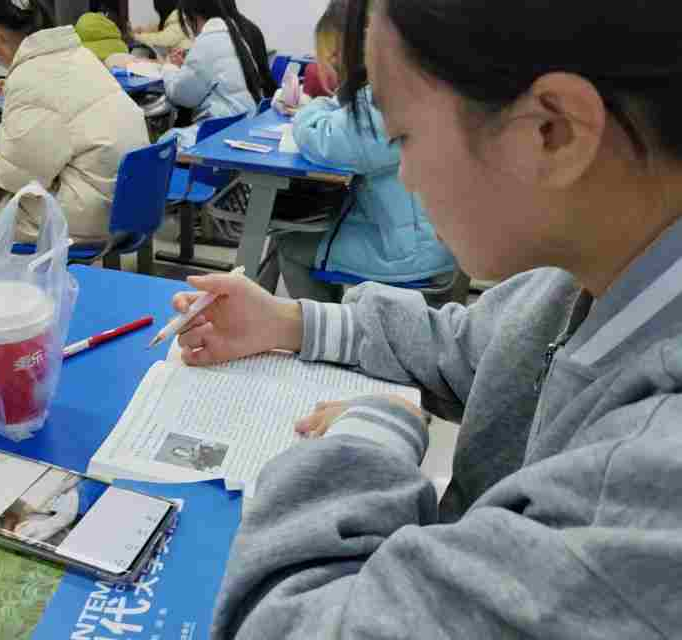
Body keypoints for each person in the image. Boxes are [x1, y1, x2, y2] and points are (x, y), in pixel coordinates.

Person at [171, 0, 682, 636]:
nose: (406, 176)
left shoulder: (645, 489)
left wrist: (371, 436)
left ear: (552, 132)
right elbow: (474, 347)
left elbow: (284, 626)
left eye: (404, 138)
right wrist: (289, 322)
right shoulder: (599, 274)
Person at [0, 0, 149, 327]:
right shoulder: (78, 55)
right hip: (125, 205)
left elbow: (17, 176)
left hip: (87, 217)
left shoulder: (32, 76)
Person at [259, 0, 454, 302]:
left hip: (412, 249)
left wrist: (310, 108)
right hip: (430, 233)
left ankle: (321, 329)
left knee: (291, 246)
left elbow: (326, 141)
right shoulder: (414, 78)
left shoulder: (383, 97)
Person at [159, 0, 269, 149]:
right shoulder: (232, 33)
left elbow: (181, 96)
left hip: (222, 131)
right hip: (241, 124)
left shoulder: (207, 41)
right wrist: (187, 65)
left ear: (193, 15)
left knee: (165, 143)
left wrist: (169, 68)